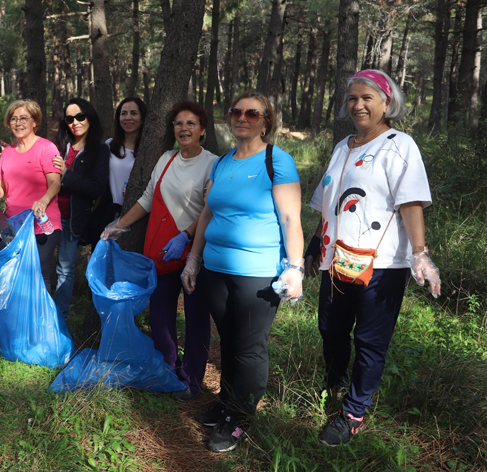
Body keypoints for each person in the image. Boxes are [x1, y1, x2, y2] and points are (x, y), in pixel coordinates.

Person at [304, 70, 441, 447]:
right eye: (352, 99)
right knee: (330, 329)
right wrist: (316, 244)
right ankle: (337, 382)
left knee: (369, 341)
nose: (358, 105)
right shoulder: (342, 146)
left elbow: (411, 202)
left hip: (380, 265)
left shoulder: (400, 145)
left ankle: (353, 412)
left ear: (386, 102)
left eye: (367, 98)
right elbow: (329, 203)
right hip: (336, 259)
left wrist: (420, 255)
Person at [181, 91, 304, 453]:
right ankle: (229, 399)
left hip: (259, 273)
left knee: (250, 346)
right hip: (215, 270)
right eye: (236, 111)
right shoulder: (222, 162)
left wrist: (294, 268)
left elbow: (290, 218)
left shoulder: (276, 161)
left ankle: (240, 416)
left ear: (266, 121)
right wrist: (194, 258)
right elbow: (207, 213)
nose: (242, 118)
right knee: (231, 340)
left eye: (253, 113)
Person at [102, 101, 218, 402]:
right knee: (160, 315)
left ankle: (192, 378)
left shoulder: (212, 163)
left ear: (202, 129)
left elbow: (211, 208)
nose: (184, 129)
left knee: (195, 318)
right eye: (178, 124)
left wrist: (186, 237)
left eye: (191, 123)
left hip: (195, 253)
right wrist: (120, 225)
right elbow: (148, 198)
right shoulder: (166, 158)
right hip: (162, 253)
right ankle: (168, 368)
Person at [0, 99, 62, 292]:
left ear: (34, 122)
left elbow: (55, 183)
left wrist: (43, 201)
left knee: (38, 272)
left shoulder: (46, 148)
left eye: (23, 118)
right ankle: (20, 319)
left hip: (42, 224)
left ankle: (40, 319)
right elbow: (0, 182)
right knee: (16, 274)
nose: (18, 123)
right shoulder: (7, 152)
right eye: (13, 119)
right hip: (14, 226)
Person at [51, 98, 110, 320]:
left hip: (71, 220)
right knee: (40, 265)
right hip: (49, 216)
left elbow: (96, 188)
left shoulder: (99, 149)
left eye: (80, 117)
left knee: (64, 271)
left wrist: (66, 175)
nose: (75, 122)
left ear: (90, 118)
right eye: (69, 118)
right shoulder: (58, 145)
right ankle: (39, 314)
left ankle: (59, 319)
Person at [85, 97, 148, 243]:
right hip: (108, 211)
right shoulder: (109, 145)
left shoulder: (148, 151)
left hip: (138, 214)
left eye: (134, 113)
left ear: (143, 117)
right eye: (123, 113)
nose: (128, 118)